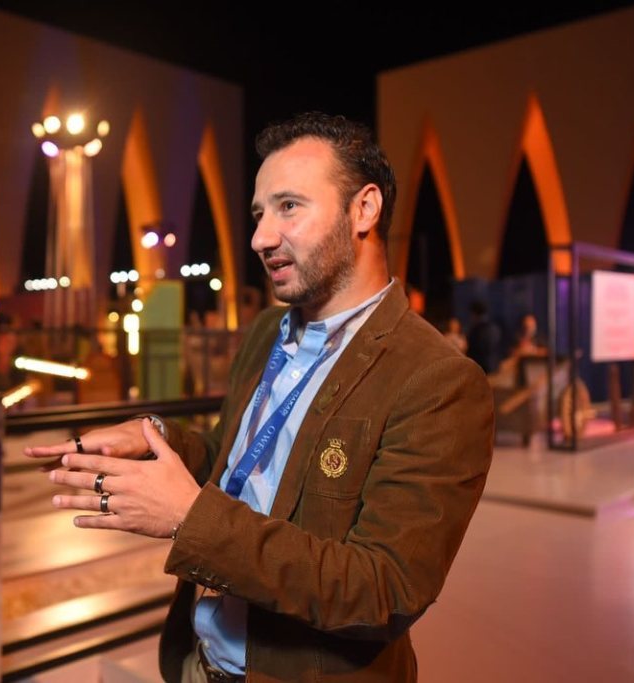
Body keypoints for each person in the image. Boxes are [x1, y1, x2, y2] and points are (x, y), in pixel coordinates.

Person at [25, 112, 494, 682]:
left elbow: (384, 590)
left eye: (288, 206)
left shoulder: (438, 380)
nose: (260, 238)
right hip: (200, 662)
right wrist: (156, 439)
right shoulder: (267, 333)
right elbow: (231, 460)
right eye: (258, 214)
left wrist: (191, 519)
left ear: (364, 209)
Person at [465, 299, 502, 374]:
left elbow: (474, 351)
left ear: (474, 314)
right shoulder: (494, 327)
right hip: (494, 366)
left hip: (481, 368)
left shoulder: (475, 330)